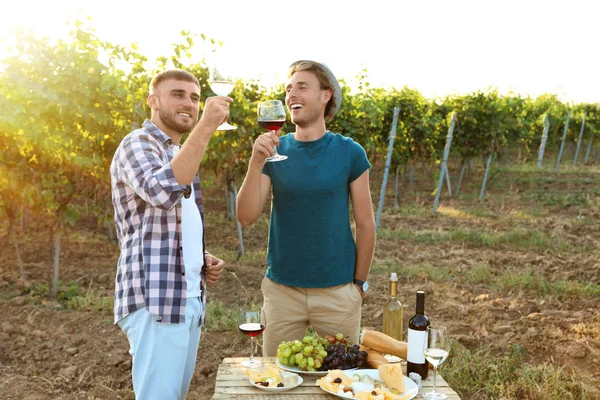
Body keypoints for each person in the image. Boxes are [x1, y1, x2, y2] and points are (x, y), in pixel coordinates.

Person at [236, 60, 376, 356]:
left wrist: (359, 285)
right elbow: (246, 216)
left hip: (338, 293)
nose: (291, 95)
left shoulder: (350, 152)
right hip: (281, 292)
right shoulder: (275, 152)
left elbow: (365, 224)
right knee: (278, 379)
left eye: (302, 87)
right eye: (288, 88)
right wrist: (256, 161)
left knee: (341, 380)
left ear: (326, 95)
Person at [110, 69, 230, 399]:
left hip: (187, 296)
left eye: (194, 97)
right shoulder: (137, 143)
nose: (189, 103)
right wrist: (207, 126)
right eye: (178, 94)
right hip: (156, 299)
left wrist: (198, 258)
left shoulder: (175, 152)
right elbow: (161, 192)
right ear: (153, 101)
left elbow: (172, 222)